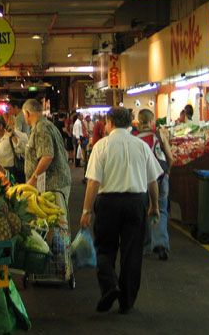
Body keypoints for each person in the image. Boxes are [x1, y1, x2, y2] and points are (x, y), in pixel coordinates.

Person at [80, 107, 163, 315]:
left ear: (109, 122)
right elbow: (153, 181)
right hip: (136, 202)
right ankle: (127, 302)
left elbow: (93, 182)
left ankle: (110, 286)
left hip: (108, 203)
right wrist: (155, 206)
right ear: (129, 123)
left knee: (105, 248)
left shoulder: (102, 146)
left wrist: (86, 210)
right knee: (132, 252)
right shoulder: (141, 146)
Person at [136, 109, 173, 261]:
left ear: (138, 122)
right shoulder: (159, 135)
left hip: (142, 180)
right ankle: (161, 243)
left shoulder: (134, 139)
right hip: (161, 177)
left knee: (145, 210)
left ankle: (145, 246)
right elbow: (170, 157)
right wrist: (168, 172)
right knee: (161, 209)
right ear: (152, 122)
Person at [22, 99, 71, 203]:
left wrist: (33, 178)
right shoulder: (47, 125)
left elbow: (47, 156)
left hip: (53, 186)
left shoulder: (41, 127)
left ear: (27, 113)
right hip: (54, 185)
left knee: (56, 218)